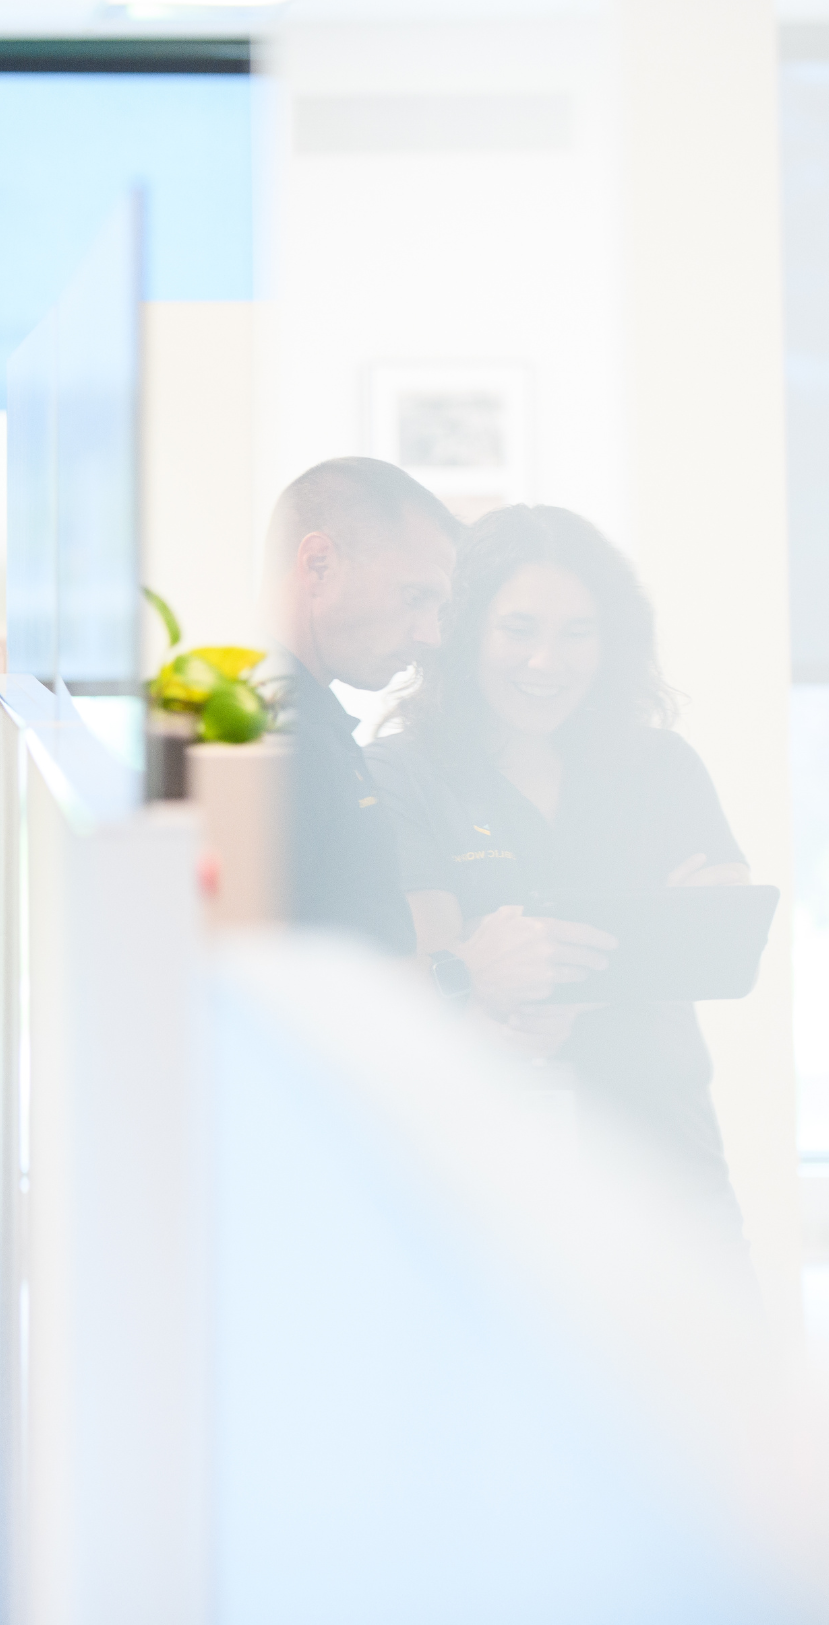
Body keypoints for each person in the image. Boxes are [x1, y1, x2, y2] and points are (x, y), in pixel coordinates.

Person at [367, 505, 747, 1233]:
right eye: (518, 630)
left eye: (578, 633)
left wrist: (551, 976)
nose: (547, 662)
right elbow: (437, 959)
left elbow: (721, 933)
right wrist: (643, 945)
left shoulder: (660, 766)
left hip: (666, 1162)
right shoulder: (404, 773)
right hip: (486, 1169)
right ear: (465, 630)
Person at [262, 458, 587, 1004]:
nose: (432, 635)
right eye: (415, 597)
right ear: (318, 566)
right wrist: (462, 971)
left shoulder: (320, 727)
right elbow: (263, 982)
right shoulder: (264, 739)